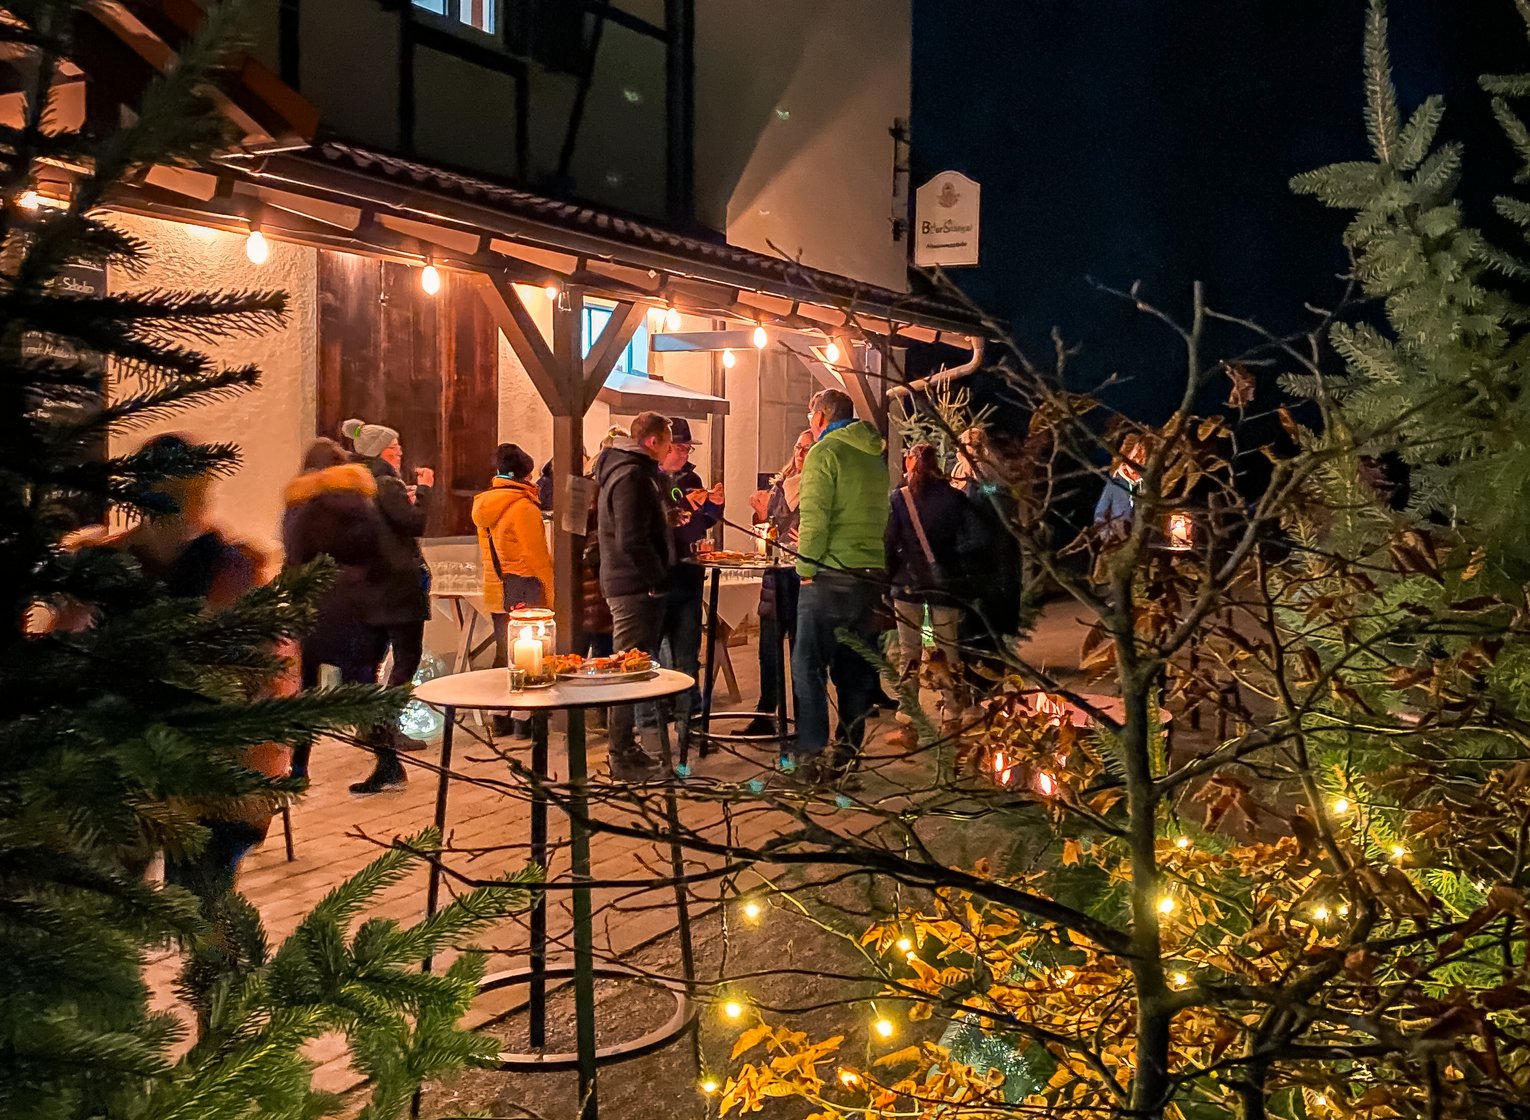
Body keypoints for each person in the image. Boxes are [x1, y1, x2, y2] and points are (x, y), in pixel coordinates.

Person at [104, 434, 294, 906]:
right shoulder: (108, 569)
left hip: (201, 774)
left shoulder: (232, 570)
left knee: (195, 908)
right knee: (145, 912)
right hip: (135, 770)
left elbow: (268, 677)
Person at [791, 388, 889, 782]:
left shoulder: (824, 452)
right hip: (869, 575)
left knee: (807, 666)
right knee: (855, 670)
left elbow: (815, 520)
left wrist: (804, 568)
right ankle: (847, 756)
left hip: (830, 576)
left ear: (821, 416)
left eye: (810, 416)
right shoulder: (873, 456)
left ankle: (811, 757)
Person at [282, 438, 388, 783]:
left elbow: (295, 556)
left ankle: (299, 767)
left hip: (316, 603)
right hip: (360, 602)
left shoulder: (302, 505)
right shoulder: (364, 503)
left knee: (307, 689)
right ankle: (387, 761)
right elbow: (380, 553)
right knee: (363, 685)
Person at [341, 418, 435, 794]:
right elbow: (415, 524)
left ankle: (381, 744)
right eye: (396, 448)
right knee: (405, 662)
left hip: (371, 588)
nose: (400, 453)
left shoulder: (355, 485)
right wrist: (424, 492)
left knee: (373, 664)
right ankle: (385, 730)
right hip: (399, 588)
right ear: (383, 451)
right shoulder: (386, 483)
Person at [595, 411, 676, 778]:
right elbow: (631, 537)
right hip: (632, 584)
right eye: (668, 442)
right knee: (627, 669)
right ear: (652, 441)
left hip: (628, 580)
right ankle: (621, 754)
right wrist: (656, 577)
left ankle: (627, 748)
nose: (670, 449)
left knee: (633, 665)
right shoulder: (631, 475)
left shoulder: (630, 471)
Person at [885, 443, 973, 738]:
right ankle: (952, 713)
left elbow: (890, 542)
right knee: (949, 648)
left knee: (909, 651)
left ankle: (908, 716)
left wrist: (889, 578)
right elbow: (968, 540)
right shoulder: (956, 498)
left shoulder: (900, 498)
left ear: (912, 462)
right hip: (945, 583)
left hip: (907, 583)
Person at [472, 443, 554, 737]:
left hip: (498, 586)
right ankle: (523, 718)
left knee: (505, 652)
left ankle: (499, 716)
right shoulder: (523, 507)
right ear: (525, 475)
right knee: (531, 654)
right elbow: (536, 557)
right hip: (525, 586)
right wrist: (552, 592)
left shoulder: (485, 505)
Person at [656, 416, 724, 747]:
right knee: (655, 661)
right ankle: (655, 734)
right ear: (664, 446)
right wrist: (685, 507)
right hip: (658, 579)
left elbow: (697, 527)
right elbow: (660, 525)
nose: (684, 454)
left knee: (687, 658)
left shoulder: (692, 478)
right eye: (679, 448)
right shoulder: (648, 480)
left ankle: (690, 729)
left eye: (687, 449)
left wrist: (713, 508)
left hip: (687, 577)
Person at [743, 428, 814, 737]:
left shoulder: (819, 487)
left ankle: (804, 719)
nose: (800, 453)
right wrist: (761, 518)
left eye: (808, 448)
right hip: (775, 579)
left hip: (803, 579)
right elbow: (767, 536)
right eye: (798, 446)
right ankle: (765, 714)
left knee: (801, 651)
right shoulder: (778, 489)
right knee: (768, 650)